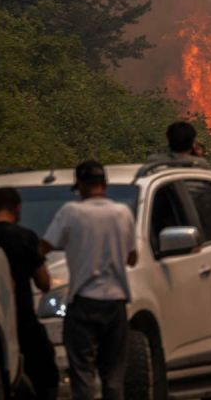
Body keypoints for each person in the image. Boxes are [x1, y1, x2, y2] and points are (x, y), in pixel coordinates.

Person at [40, 161, 138, 400]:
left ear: (80, 186)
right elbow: (132, 258)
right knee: (113, 375)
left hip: (83, 302)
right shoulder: (122, 213)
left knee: (82, 373)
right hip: (115, 303)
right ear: (104, 185)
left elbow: (45, 247)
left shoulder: (71, 212)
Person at [0, 188, 59, 400]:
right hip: (23, 321)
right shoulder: (25, 237)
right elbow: (44, 283)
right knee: (45, 377)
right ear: (17, 208)